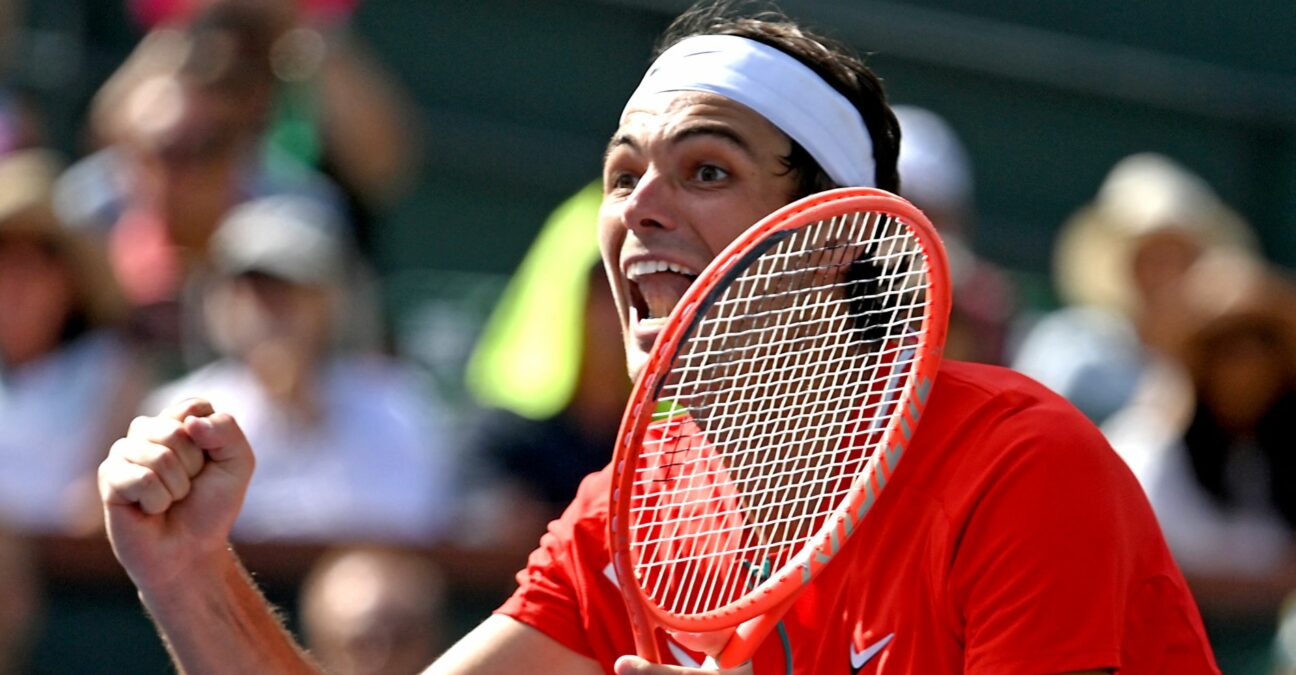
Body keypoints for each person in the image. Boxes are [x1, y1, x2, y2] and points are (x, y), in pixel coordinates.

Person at [97, 4, 1219, 674]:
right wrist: (191, 575)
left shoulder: (1026, 468)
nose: (638, 210)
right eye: (623, 175)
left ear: (831, 240)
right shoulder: (625, 517)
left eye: (707, 170)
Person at [138, 194, 456, 546]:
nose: (270, 309)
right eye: (253, 290)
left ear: (330, 301)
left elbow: (409, 526)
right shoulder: (178, 410)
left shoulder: (395, 401)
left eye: (290, 289)